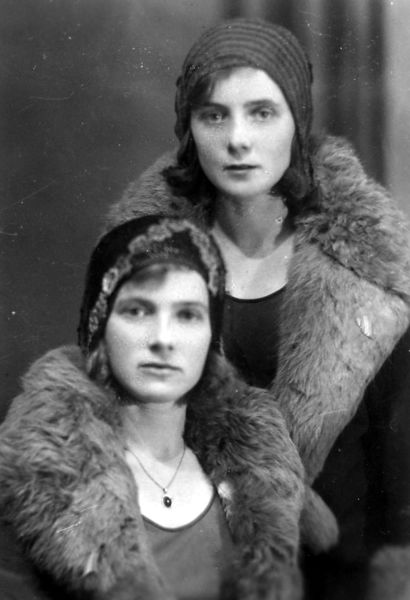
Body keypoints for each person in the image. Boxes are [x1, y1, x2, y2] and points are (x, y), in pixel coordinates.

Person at [106, 18, 410, 600]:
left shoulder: (369, 271)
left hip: (338, 577)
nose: (238, 139)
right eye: (214, 115)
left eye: (263, 112)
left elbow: (399, 480)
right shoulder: (139, 262)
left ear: (298, 121)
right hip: (191, 575)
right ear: (189, 128)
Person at [0, 214, 306, 600]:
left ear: (210, 337)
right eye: (137, 311)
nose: (163, 339)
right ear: (99, 328)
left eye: (187, 315)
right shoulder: (33, 482)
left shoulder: (255, 481)